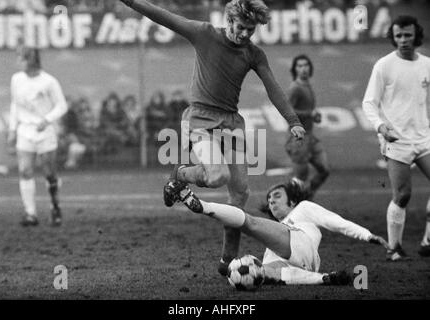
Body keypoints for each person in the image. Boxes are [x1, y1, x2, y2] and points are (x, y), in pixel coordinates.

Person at [119, 0, 306, 276]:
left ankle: (227, 262)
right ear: (229, 20)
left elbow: (273, 88)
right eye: (241, 27)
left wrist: (293, 121)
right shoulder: (204, 33)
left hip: (231, 123)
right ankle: (180, 174)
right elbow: (163, 16)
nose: (244, 34)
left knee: (240, 193)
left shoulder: (254, 54)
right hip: (200, 119)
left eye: (250, 30)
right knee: (217, 175)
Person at [175, 179, 389, 285]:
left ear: (292, 200)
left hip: (300, 242)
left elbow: (336, 222)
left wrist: (367, 235)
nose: (271, 200)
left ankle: (200, 205)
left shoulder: (303, 208)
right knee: (263, 273)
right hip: (305, 265)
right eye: (269, 199)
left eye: (277, 195)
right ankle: (323, 278)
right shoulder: (276, 234)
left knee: (248, 223)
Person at [362, 15, 430, 260]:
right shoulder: (383, 65)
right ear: (393, 37)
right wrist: (381, 127)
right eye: (398, 35)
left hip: (424, 138)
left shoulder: (427, 64)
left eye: (407, 35)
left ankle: (427, 240)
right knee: (402, 195)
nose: (403, 40)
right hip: (396, 140)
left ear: (416, 35)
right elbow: (369, 103)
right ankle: (394, 247)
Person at [7, 46, 68, 227]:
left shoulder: (49, 82)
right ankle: (30, 213)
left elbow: (61, 106)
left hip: (44, 132)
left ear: (31, 59)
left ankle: (55, 207)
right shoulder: (16, 79)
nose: (18, 61)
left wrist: (47, 120)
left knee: (49, 173)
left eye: (21, 58)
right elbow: (15, 105)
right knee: (25, 171)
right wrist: (12, 129)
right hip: (25, 131)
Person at [285, 54, 329, 199]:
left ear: (310, 67)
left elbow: (306, 111)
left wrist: (313, 116)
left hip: (310, 136)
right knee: (300, 177)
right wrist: (309, 113)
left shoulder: (306, 85)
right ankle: (288, 204)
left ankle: (305, 197)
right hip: (298, 139)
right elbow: (288, 111)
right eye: (300, 66)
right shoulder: (295, 88)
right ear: (295, 69)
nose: (303, 69)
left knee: (324, 171)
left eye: (306, 65)